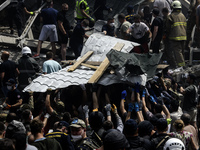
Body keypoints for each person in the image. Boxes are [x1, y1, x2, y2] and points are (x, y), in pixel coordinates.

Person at [165, 0, 186, 68]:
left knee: (177, 52)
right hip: (183, 36)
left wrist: (166, 35)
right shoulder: (183, 16)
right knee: (181, 52)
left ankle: (181, 66)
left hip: (175, 37)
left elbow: (168, 28)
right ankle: (182, 64)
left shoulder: (171, 16)